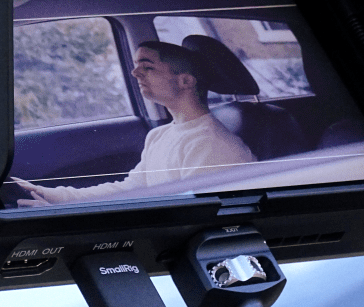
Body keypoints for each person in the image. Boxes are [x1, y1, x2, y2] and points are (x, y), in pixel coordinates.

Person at [13, 41, 255, 205]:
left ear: (185, 81)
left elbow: (189, 215)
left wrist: (60, 216)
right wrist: (52, 196)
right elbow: (131, 189)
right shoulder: (160, 135)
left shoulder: (210, 145)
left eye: (147, 67)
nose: (135, 73)